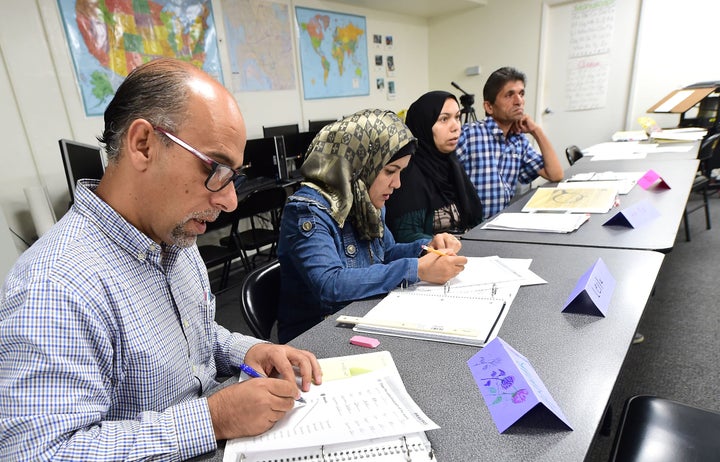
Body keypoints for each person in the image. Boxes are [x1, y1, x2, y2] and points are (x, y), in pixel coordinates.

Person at [0, 58, 322, 461]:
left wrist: (245, 351)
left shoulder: (174, 238)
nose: (230, 200)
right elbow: (37, 453)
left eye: (233, 176)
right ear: (143, 145)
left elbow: (196, 338)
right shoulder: (55, 286)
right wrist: (213, 419)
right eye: (216, 168)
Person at [277, 109, 467, 343]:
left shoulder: (365, 198)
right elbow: (329, 284)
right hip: (316, 336)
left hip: (359, 317)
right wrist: (417, 269)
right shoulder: (308, 210)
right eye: (389, 172)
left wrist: (427, 248)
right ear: (360, 165)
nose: (396, 184)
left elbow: (385, 252)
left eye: (400, 173)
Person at [456, 67, 564, 220]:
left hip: (498, 224)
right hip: (469, 229)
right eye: (509, 95)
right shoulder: (469, 135)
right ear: (489, 107)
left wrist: (536, 131)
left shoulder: (518, 140)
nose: (519, 101)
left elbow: (555, 174)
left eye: (521, 94)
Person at [385, 91, 484, 242]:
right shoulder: (407, 172)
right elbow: (405, 236)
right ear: (424, 124)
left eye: (457, 117)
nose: (456, 127)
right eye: (444, 119)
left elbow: (475, 219)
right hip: (433, 259)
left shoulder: (452, 164)